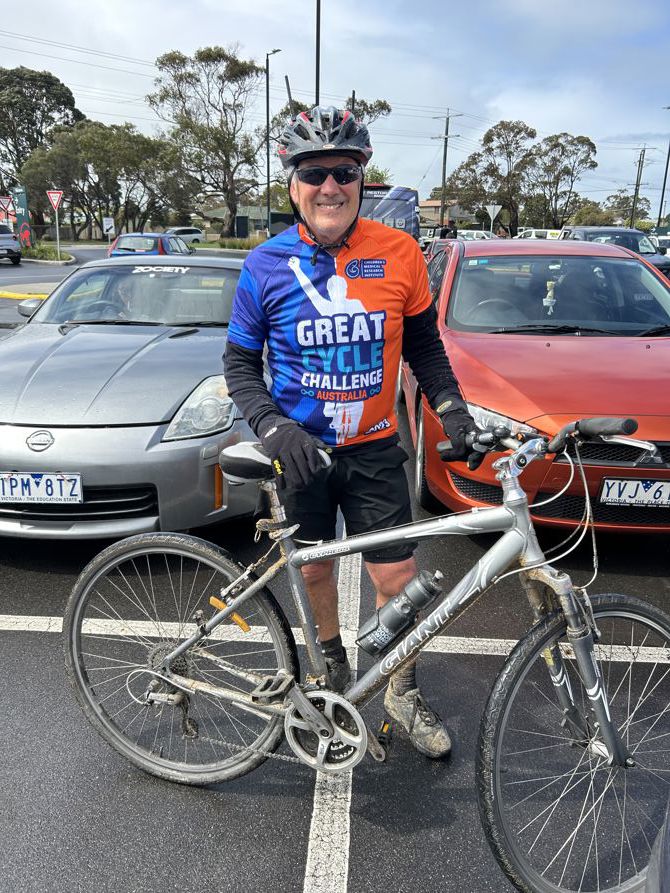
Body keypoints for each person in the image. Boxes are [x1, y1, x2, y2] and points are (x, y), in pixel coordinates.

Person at [224, 106, 482, 759]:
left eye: (344, 171)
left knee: (398, 578)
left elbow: (424, 345)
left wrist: (450, 405)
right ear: (293, 185)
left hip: (372, 448)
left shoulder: (398, 253)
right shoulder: (264, 265)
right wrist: (271, 426)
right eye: (315, 173)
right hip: (300, 452)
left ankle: (402, 691)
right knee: (314, 574)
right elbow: (237, 363)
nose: (330, 185)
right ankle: (331, 671)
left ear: (362, 180)